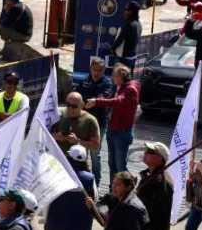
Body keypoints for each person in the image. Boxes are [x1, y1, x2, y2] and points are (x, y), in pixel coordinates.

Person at [87, 65, 140, 183]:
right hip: (112, 129)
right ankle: (113, 189)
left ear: (122, 76)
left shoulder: (130, 89)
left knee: (120, 166)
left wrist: (96, 101)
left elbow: (118, 101)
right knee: (112, 164)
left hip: (121, 132)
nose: (113, 78)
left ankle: (128, 185)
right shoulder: (119, 87)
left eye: (115, 76)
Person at [78, 57, 114, 187]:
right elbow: (77, 95)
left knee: (95, 154)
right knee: (81, 153)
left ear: (103, 70)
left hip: (98, 124)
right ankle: (82, 182)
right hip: (83, 122)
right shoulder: (84, 81)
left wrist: (94, 102)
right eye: (94, 70)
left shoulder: (107, 83)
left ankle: (96, 184)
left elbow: (104, 97)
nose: (96, 73)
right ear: (90, 69)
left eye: (99, 70)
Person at [53, 92, 102, 173]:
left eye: (74, 106)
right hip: (57, 160)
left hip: (78, 163)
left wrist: (78, 142)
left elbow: (96, 146)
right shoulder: (58, 113)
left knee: (87, 178)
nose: (70, 108)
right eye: (68, 105)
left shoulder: (90, 120)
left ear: (82, 105)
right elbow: (42, 133)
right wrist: (54, 137)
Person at [110, 1, 142, 66]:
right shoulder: (139, 24)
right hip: (132, 58)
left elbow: (120, 39)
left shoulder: (129, 25)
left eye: (126, 9)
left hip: (123, 59)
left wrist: (112, 49)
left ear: (131, 12)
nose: (124, 12)